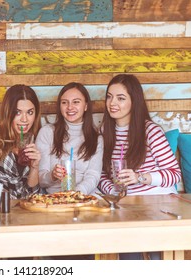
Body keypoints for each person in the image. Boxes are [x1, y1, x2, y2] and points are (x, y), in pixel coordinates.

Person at [98, 74, 181, 260]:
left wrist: (140, 177)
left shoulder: (151, 131)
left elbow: (174, 174)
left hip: (157, 203)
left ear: (134, 102)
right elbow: (101, 175)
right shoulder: (104, 132)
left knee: (156, 254)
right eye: (109, 96)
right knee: (129, 254)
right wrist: (113, 190)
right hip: (127, 205)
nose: (112, 103)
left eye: (121, 98)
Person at [36, 82, 103, 195]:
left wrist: (75, 194)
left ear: (86, 106)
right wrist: (52, 175)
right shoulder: (47, 133)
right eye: (64, 102)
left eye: (76, 102)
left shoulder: (96, 139)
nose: (70, 107)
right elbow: (41, 180)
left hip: (86, 196)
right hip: (54, 199)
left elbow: (93, 176)